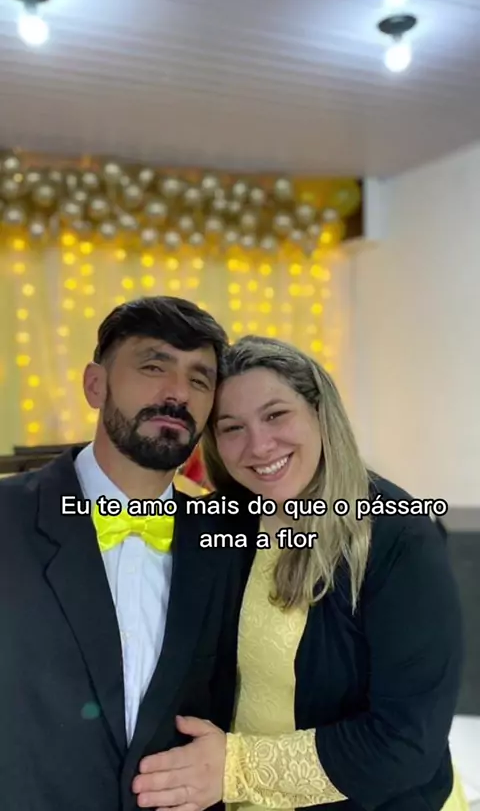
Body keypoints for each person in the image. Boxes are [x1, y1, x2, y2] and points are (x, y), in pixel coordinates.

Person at [132, 334, 467, 811]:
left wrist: (234, 768)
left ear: (320, 412)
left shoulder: (400, 537)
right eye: (232, 427)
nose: (259, 445)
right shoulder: (224, 522)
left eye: (275, 415)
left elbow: (407, 742)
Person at [0, 296, 243, 811]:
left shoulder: (227, 543)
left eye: (199, 379)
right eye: (154, 367)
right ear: (96, 385)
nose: (178, 393)